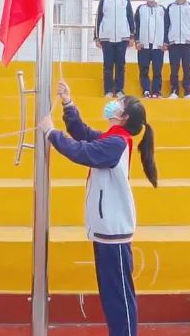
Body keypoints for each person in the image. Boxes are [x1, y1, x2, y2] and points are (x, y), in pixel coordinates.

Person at [39, 80, 158, 336]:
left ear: (123, 117)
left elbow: (82, 151)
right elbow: (82, 133)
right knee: (111, 293)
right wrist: (68, 103)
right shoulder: (112, 138)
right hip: (106, 230)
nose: (113, 104)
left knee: (119, 296)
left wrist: (52, 133)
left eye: (120, 103)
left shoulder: (117, 142)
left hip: (114, 231)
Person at [95, 0, 135, 98]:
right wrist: (96, 37)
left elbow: (130, 18)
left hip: (122, 38)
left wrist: (132, 36)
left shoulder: (125, 0)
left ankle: (119, 90)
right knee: (107, 65)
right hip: (106, 38)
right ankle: (107, 90)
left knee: (120, 65)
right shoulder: (104, 0)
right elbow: (98, 19)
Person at [165, 0, 190, 99]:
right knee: (174, 68)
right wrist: (166, 41)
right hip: (173, 42)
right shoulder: (170, 7)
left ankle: (188, 91)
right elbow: (166, 25)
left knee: (187, 67)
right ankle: (174, 90)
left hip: (187, 42)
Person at [134, 0, 168, 98]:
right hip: (143, 45)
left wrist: (165, 42)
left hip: (158, 45)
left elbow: (167, 26)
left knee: (157, 69)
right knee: (144, 69)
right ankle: (146, 90)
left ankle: (156, 91)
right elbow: (136, 26)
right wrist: (137, 41)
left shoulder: (162, 9)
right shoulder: (140, 9)